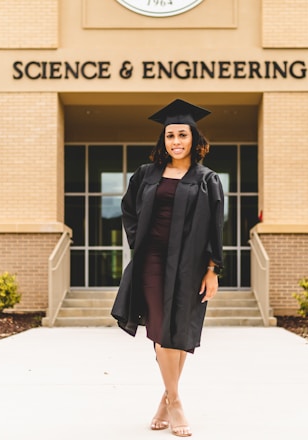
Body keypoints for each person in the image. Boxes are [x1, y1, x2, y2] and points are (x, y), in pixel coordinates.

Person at [111, 99, 224, 437]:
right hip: (152, 262)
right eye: (170, 135)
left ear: (194, 139)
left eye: (182, 135)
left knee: (178, 331)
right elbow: (129, 211)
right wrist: (139, 241)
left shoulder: (207, 179)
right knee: (161, 328)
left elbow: (215, 227)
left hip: (189, 265)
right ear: (163, 140)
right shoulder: (146, 175)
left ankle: (164, 400)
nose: (176, 141)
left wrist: (212, 269)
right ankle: (176, 403)